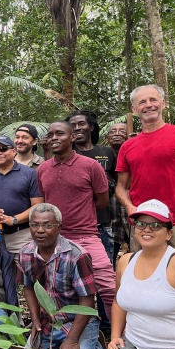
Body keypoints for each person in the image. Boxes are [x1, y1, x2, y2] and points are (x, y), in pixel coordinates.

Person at [93, 199, 175, 349]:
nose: (147, 229)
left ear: (168, 233)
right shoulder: (126, 261)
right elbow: (119, 302)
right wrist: (115, 336)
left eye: (155, 225)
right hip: (132, 344)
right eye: (141, 224)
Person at [18, 203, 103, 349]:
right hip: (48, 323)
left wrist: (72, 339)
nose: (40, 230)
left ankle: (94, 348)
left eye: (48, 225)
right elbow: (28, 287)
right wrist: (35, 319)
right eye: (34, 225)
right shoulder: (25, 253)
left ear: (59, 227)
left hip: (77, 322)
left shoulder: (76, 255)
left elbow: (87, 300)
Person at [37, 121, 116, 321]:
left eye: (60, 133)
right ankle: (61, 333)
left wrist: (81, 213)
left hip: (86, 236)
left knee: (109, 287)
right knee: (54, 290)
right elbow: (43, 204)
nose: (54, 137)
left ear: (72, 137)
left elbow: (102, 201)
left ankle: (119, 337)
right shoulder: (43, 169)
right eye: (51, 134)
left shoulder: (91, 166)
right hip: (55, 241)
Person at [0, 135, 43, 303]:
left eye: (3, 149)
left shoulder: (29, 174)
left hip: (22, 234)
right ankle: (7, 321)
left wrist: (14, 219)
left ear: (13, 151)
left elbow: (38, 206)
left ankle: (39, 321)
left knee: (32, 277)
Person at [115, 84, 175, 251]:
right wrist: (130, 208)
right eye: (142, 102)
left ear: (163, 103)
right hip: (142, 224)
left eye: (153, 100)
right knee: (143, 275)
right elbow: (121, 187)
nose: (148, 105)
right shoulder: (127, 146)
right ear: (135, 109)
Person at [66, 110, 117, 263]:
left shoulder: (107, 152)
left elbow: (120, 183)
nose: (76, 128)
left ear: (91, 127)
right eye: (72, 125)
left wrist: (108, 183)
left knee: (105, 269)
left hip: (102, 222)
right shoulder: (66, 154)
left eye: (81, 123)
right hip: (73, 226)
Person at [106, 123, 130, 262]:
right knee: (110, 249)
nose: (117, 134)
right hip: (110, 212)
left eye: (122, 131)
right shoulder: (102, 155)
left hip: (129, 208)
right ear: (107, 137)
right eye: (113, 131)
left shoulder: (135, 153)